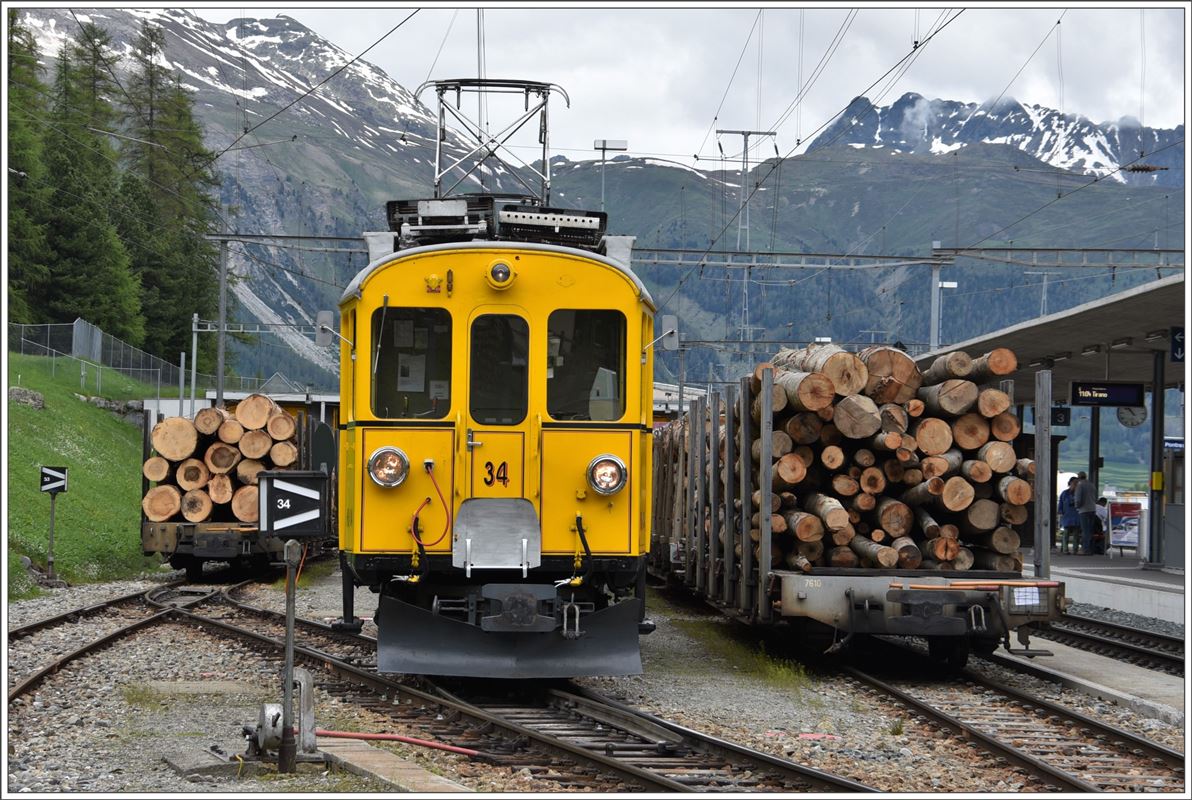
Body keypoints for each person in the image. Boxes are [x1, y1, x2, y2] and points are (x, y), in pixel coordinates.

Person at [1073, 471, 1098, 555]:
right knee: (1090, 530)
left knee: (1085, 531)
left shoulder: (1080, 485)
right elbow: (1095, 497)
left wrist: (1077, 506)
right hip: (1092, 509)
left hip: (1084, 510)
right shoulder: (1092, 485)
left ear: (1079, 477)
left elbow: (1078, 498)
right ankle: (1090, 549)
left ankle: (1085, 549)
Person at [1057, 477, 1080, 554]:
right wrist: (1060, 511)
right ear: (1070, 483)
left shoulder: (1079, 493)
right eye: (1074, 483)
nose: (1076, 485)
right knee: (1066, 533)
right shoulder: (1064, 493)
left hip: (1077, 516)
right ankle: (1065, 549)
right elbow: (1061, 503)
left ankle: (1075, 550)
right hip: (1067, 516)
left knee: (1076, 534)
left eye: (1077, 483)